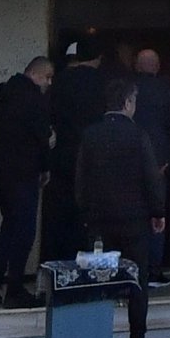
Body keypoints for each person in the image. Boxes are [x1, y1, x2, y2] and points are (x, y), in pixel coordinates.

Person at [75, 81, 166, 338]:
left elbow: (81, 181)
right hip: (134, 220)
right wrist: (157, 212)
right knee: (137, 281)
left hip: (99, 222)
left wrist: (87, 213)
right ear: (127, 103)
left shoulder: (90, 136)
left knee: (99, 280)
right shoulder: (137, 134)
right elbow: (151, 178)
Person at [0, 53, 54, 309]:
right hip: (24, 173)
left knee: (9, 229)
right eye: (47, 77)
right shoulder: (33, 99)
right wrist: (45, 167)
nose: (49, 83)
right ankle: (14, 290)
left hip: (2, 173)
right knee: (24, 232)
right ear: (36, 74)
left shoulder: (7, 95)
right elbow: (41, 137)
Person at [45, 35, 108, 264]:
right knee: (91, 216)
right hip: (95, 158)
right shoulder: (103, 83)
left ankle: (59, 267)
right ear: (98, 58)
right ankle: (91, 267)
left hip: (63, 156)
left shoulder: (59, 82)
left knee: (61, 217)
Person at [131, 49, 170, 284]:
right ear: (157, 66)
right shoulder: (166, 90)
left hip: (129, 160)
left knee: (131, 213)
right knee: (157, 215)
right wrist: (169, 159)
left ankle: (132, 268)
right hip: (158, 161)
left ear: (137, 66)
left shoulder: (128, 89)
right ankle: (153, 269)